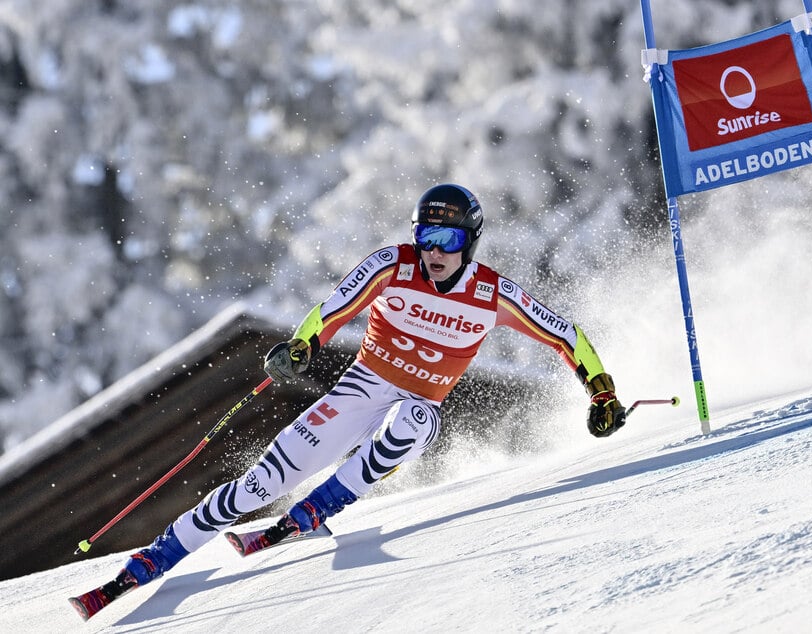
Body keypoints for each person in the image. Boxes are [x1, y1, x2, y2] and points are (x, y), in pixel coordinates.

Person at [75, 183, 626, 613]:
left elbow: (567, 337)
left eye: (447, 242)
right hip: (362, 387)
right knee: (259, 486)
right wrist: (302, 345)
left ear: (470, 242)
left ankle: (323, 506)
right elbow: (333, 308)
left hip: (418, 406)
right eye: (425, 239)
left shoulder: (493, 293)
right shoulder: (393, 265)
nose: (433, 253)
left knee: (412, 420)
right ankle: (156, 557)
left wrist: (601, 394)